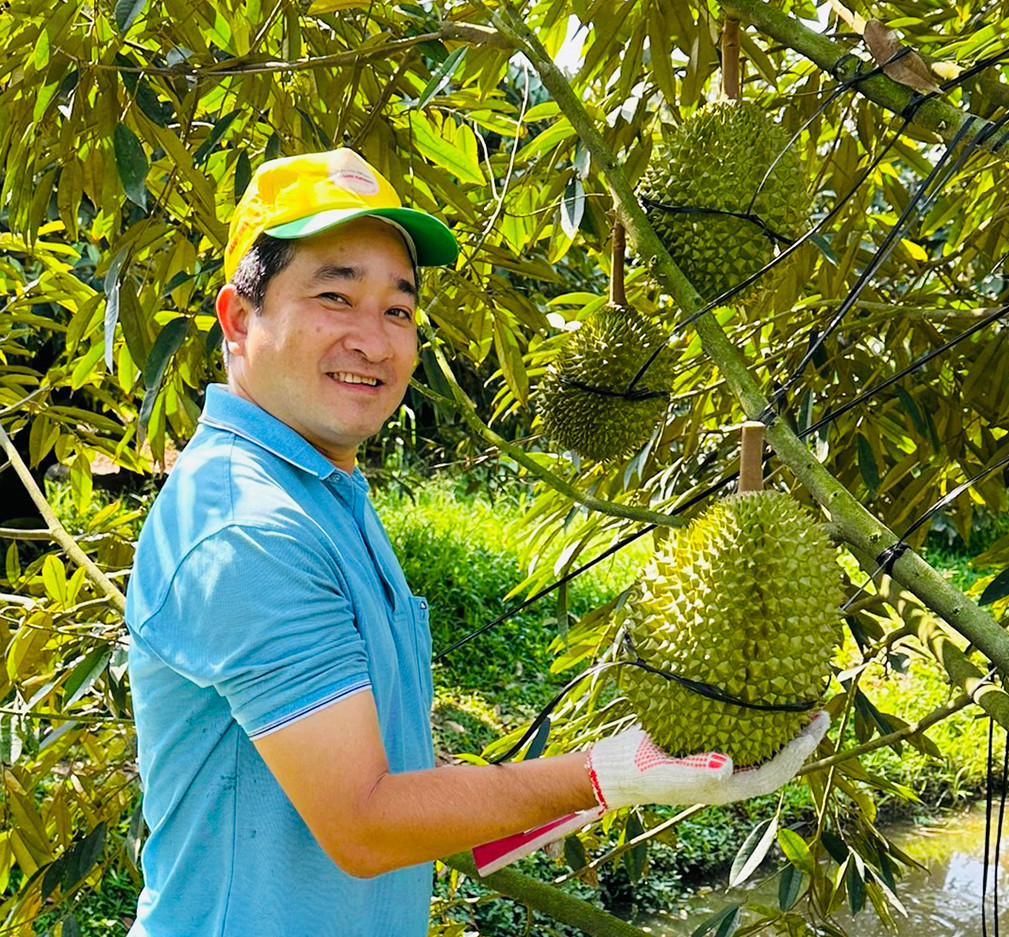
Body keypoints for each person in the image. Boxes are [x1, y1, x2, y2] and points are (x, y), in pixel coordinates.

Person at [122, 148, 829, 937]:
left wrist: (592, 788)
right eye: (335, 296)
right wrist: (604, 775)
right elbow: (365, 822)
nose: (374, 341)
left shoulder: (320, 495)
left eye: (397, 310)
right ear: (238, 319)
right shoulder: (247, 527)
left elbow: (395, 787)